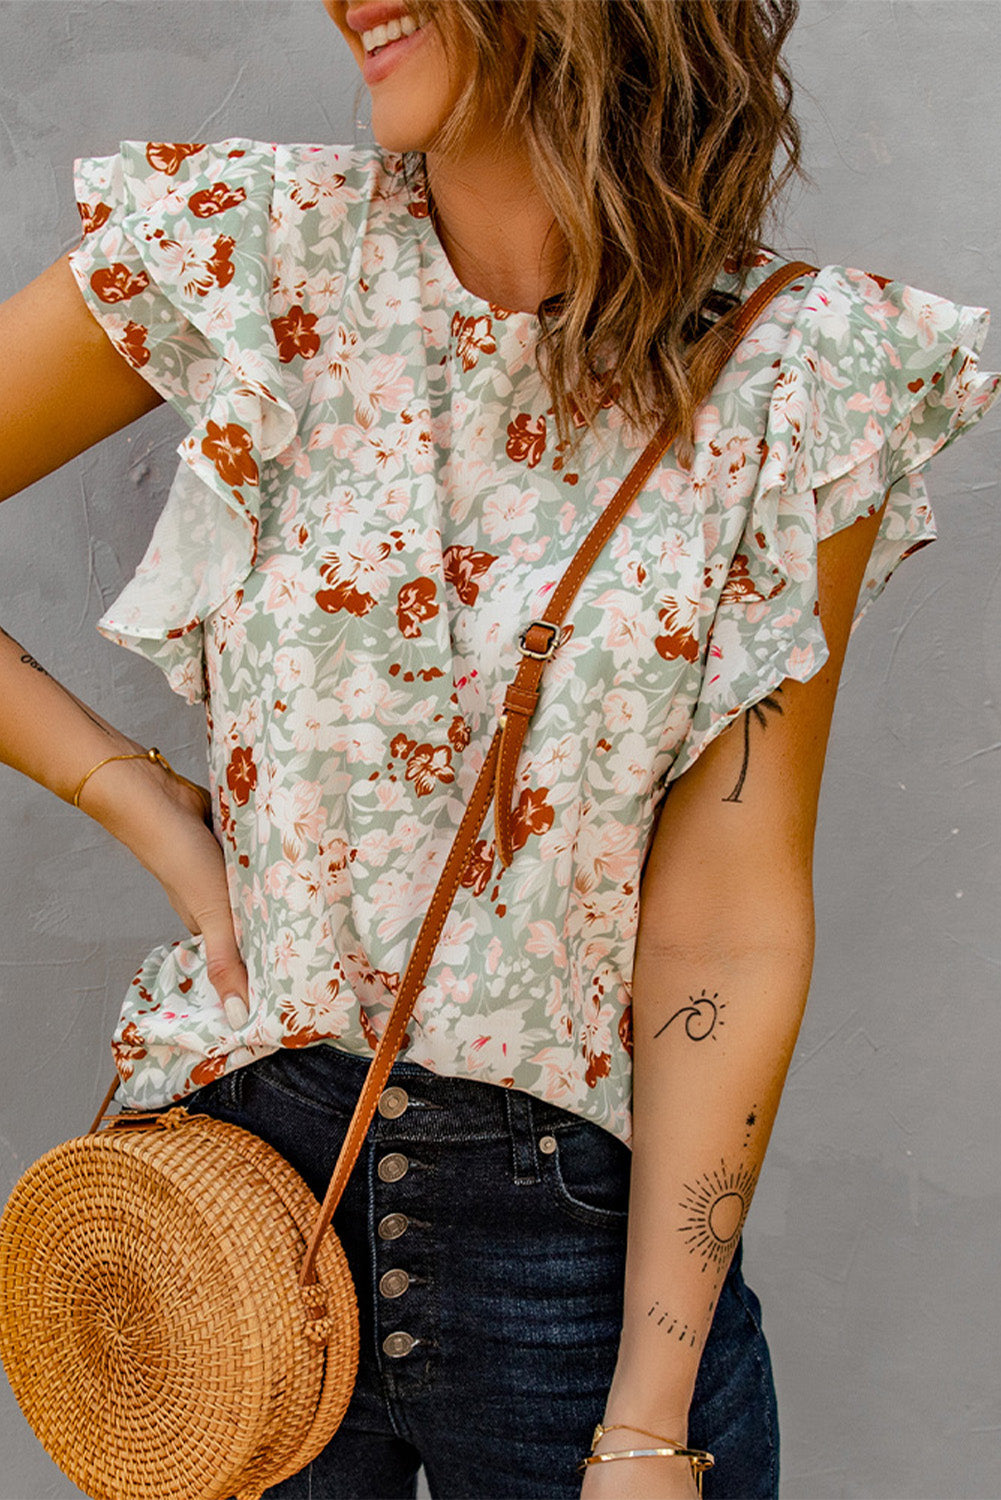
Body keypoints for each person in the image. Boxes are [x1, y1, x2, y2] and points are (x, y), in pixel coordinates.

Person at [0, 2, 996, 1497]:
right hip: (238, 1215)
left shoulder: (800, 375)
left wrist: (646, 1420)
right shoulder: (250, 249)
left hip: (575, 1269)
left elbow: (725, 922)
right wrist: (138, 799)